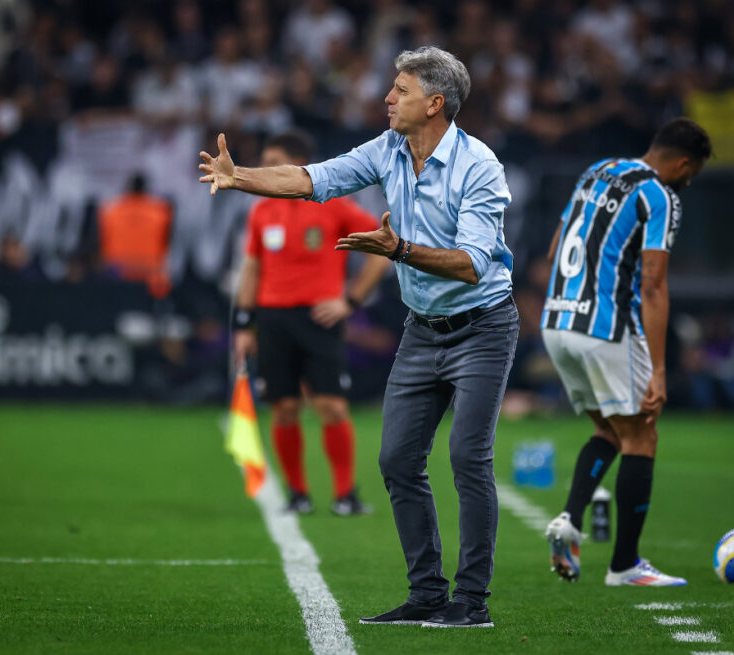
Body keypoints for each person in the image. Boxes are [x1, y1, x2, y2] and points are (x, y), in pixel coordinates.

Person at [200, 46, 518, 628]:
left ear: (434, 103)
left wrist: (396, 250)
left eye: (400, 89)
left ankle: (471, 602)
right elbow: (311, 178)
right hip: (423, 330)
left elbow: (474, 263)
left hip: (481, 327)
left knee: (468, 458)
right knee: (397, 460)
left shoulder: (481, 167)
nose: (387, 98)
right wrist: (238, 175)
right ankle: (426, 594)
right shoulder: (389, 148)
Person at [540, 118, 711, 586]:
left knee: (609, 428)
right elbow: (653, 286)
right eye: (690, 173)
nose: (687, 182)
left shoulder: (597, 170)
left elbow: (556, 247)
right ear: (681, 163)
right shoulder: (661, 196)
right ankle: (625, 565)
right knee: (643, 433)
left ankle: (569, 520)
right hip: (605, 326)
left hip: (557, 320)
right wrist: (658, 369)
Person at [234, 130, 390, 516]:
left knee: (331, 406)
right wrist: (243, 324)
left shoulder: (333, 204)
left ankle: (345, 494)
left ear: (297, 165)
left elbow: (382, 250)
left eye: (274, 163)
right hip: (272, 320)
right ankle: (298, 494)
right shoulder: (262, 210)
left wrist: (350, 301)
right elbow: (252, 269)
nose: (266, 172)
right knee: (284, 408)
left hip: (319, 319)